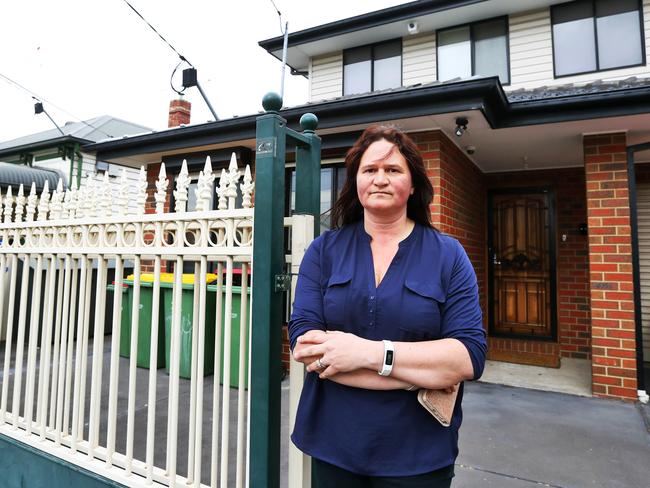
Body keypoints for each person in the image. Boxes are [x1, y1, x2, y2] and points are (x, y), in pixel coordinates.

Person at [289, 125, 487, 487]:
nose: (380, 179)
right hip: (335, 445)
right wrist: (419, 373)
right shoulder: (324, 251)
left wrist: (367, 354)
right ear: (356, 182)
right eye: (370, 170)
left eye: (393, 170)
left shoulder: (448, 256)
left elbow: (467, 358)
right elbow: (307, 347)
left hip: (418, 454)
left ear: (412, 185)